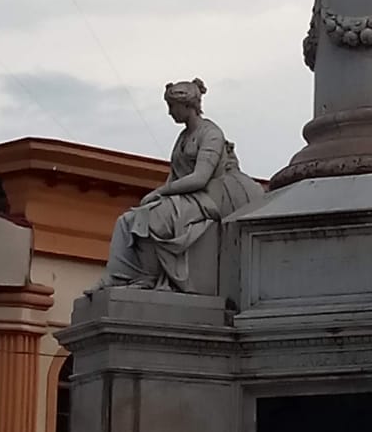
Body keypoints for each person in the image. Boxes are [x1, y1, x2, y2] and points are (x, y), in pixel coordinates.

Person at [97, 80, 262, 290]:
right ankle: (116, 277)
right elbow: (174, 178)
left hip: (208, 197)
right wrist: (159, 197)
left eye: (171, 106)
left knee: (148, 218)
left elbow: (200, 178)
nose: (169, 112)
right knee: (126, 220)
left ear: (187, 105)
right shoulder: (183, 137)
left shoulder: (211, 134)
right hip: (186, 197)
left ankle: (147, 278)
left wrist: (160, 192)